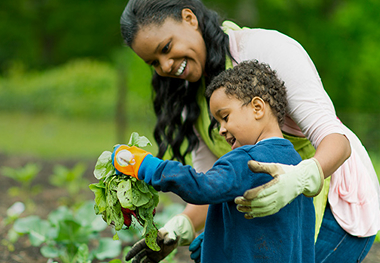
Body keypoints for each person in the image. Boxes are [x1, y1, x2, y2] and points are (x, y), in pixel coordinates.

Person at [119, 0, 380, 262]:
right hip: (274, 216)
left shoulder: (266, 50)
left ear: (189, 19)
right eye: (154, 62)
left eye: (166, 48)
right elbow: (214, 183)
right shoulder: (191, 99)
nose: (165, 66)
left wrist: (299, 179)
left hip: (334, 203)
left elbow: (337, 142)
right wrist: (180, 228)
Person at [113, 60, 316, 262]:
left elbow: (203, 187)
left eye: (225, 117)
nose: (221, 130)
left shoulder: (245, 159)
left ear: (257, 108)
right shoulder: (296, 165)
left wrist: (144, 165)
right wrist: (217, 238)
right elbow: (283, 234)